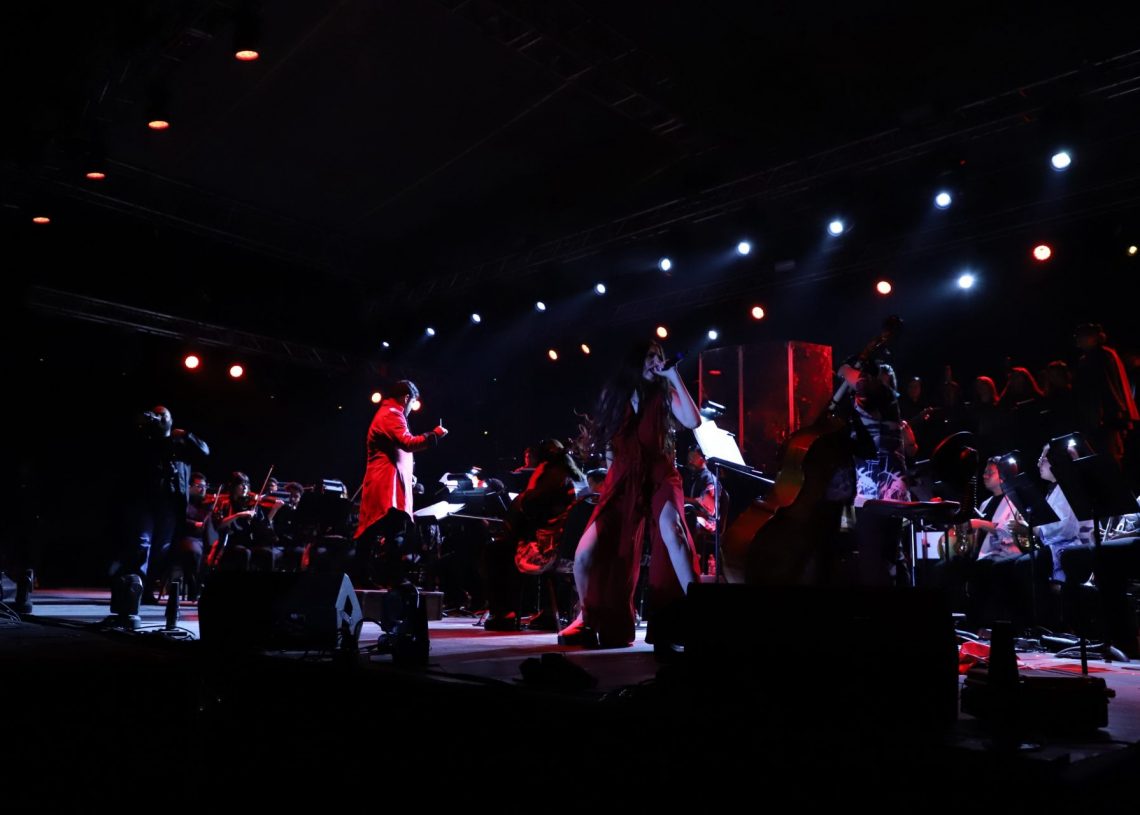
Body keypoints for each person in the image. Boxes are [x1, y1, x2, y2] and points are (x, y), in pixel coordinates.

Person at [557, 340, 701, 651]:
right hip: (623, 480)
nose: (656, 362)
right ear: (635, 360)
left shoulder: (665, 394)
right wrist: (611, 487)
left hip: (660, 475)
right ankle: (586, 617)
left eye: (659, 357)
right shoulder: (616, 397)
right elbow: (611, 446)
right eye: (650, 356)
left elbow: (693, 421)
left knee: (672, 533)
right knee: (584, 555)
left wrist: (673, 375)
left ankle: (698, 614)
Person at [353, 380, 447, 587]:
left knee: (376, 532)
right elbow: (408, 443)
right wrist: (434, 435)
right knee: (393, 533)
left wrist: (407, 474)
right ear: (406, 398)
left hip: (386, 482)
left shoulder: (387, 413)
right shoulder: (393, 414)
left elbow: (395, 451)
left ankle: (367, 578)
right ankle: (391, 579)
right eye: (412, 402)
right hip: (386, 486)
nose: (411, 408)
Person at [113, 405, 209, 603]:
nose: (158, 416)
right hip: (146, 501)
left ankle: (147, 589)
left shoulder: (181, 445)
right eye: (155, 414)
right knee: (142, 542)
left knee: (161, 548)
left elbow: (205, 451)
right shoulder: (147, 441)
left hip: (170, 504)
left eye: (162, 414)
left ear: (171, 420)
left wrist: (187, 435)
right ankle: (135, 588)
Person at [1073, 322, 1138, 468]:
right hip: (1098, 416)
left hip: (1106, 416)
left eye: (1082, 336)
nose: (1079, 340)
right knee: (1105, 456)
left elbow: (1109, 386)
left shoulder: (1102, 356)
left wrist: (1114, 412)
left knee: (1111, 456)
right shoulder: (1091, 358)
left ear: (1094, 337)